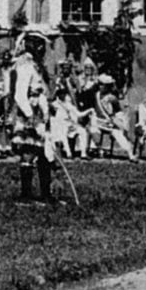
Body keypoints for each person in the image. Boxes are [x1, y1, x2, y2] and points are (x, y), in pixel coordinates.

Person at [11, 51, 55, 203]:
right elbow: (19, 95)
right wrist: (31, 116)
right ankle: (25, 195)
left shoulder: (38, 67)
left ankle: (46, 194)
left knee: (44, 154)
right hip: (30, 113)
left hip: (41, 111)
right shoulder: (25, 67)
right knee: (28, 152)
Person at [92, 73, 138, 161]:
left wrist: (118, 121)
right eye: (100, 84)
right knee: (92, 129)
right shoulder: (96, 95)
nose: (101, 87)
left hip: (109, 123)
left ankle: (130, 154)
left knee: (118, 135)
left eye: (103, 85)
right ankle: (98, 149)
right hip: (98, 121)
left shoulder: (112, 98)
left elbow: (118, 111)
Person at [50, 86, 91, 159]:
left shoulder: (68, 104)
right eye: (61, 94)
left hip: (69, 123)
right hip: (59, 124)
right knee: (63, 134)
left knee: (83, 131)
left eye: (64, 94)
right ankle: (68, 153)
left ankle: (83, 153)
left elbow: (78, 114)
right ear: (58, 95)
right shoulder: (54, 104)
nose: (63, 95)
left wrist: (89, 111)